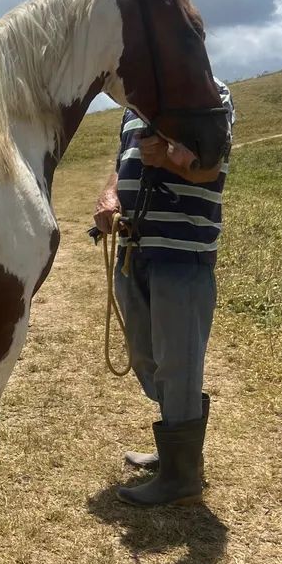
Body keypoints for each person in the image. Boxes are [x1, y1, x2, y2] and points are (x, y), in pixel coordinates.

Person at [93, 78, 234, 505]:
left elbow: (212, 168)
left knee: (178, 364)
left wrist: (173, 162)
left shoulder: (210, 97)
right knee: (146, 356)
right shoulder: (136, 104)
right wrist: (110, 193)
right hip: (135, 252)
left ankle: (181, 478)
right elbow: (124, 163)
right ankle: (177, 450)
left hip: (182, 253)